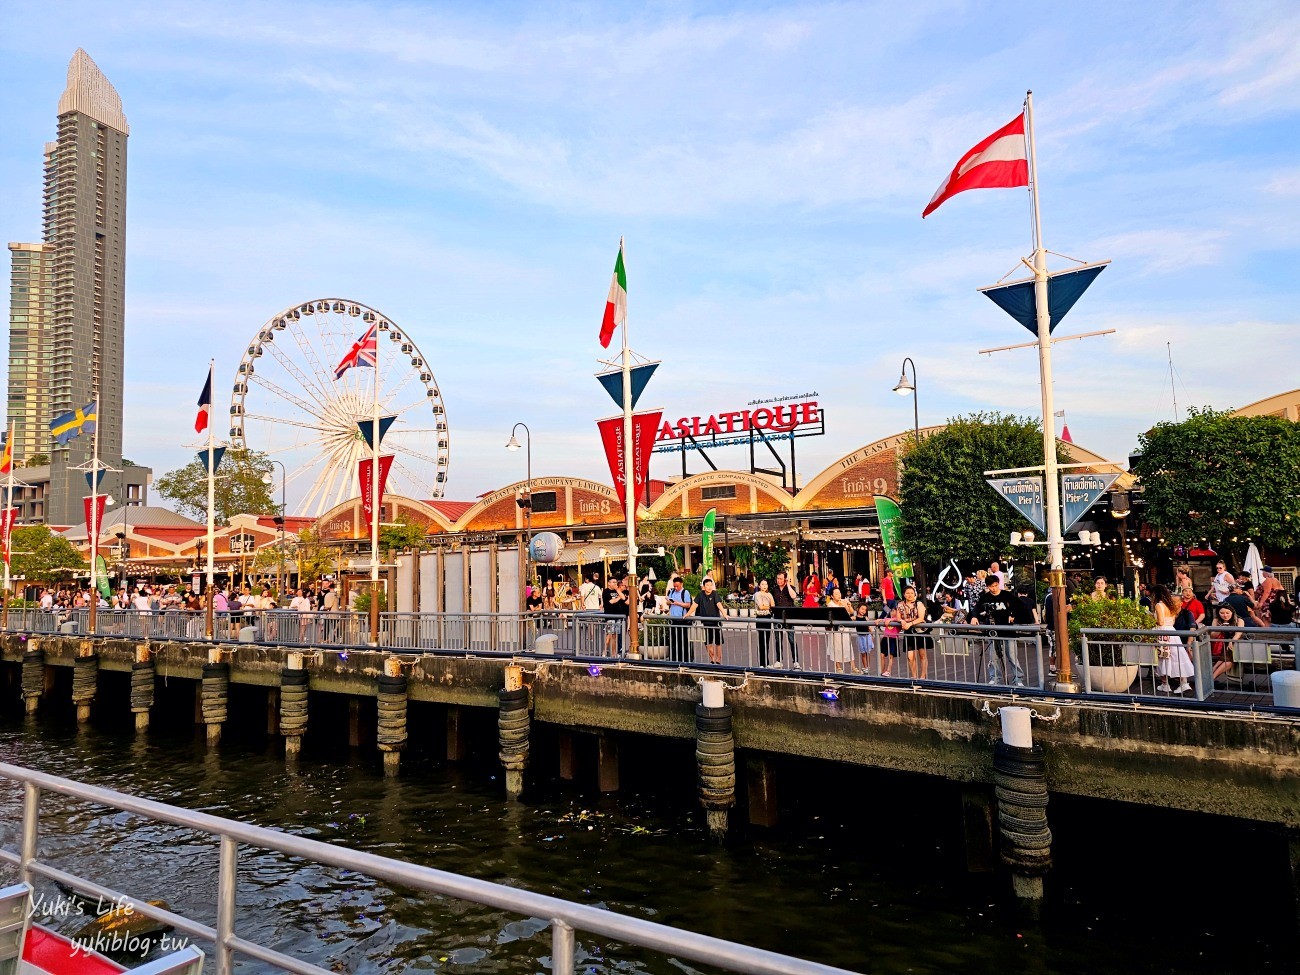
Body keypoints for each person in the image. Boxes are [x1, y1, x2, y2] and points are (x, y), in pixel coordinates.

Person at [970, 576, 1032, 687]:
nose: (993, 589)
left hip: (1008, 630)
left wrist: (1013, 616)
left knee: (1012, 656)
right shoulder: (985, 597)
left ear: (998, 584)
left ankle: (1018, 679)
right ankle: (995, 678)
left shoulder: (1007, 595)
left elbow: (1021, 606)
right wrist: (974, 617)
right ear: (988, 587)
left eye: (995, 586)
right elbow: (976, 608)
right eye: (991, 587)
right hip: (993, 631)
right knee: (993, 657)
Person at [1152, 584, 1194, 694]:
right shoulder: (1170, 605)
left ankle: (1165, 684)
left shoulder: (1159, 605)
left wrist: (1152, 619)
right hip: (1172, 632)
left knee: (1163, 656)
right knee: (1177, 657)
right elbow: (1173, 621)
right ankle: (1183, 683)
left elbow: (1160, 622)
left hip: (1162, 632)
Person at [895, 585, 929, 680]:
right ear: (904, 594)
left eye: (911, 593)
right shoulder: (900, 604)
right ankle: (914, 676)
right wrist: (901, 621)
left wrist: (910, 623)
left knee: (922, 654)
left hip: (920, 630)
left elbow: (921, 618)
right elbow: (898, 617)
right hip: (908, 631)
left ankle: (922, 676)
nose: (909, 595)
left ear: (915, 594)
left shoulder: (919, 604)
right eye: (907, 593)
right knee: (910, 656)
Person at [771, 571, 800, 669]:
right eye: (777, 578)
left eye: (781, 579)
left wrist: (787, 584)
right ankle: (779, 660)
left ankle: (796, 661)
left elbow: (794, 596)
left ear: (785, 579)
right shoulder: (774, 589)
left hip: (789, 617)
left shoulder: (791, 588)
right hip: (777, 617)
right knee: (778, 640)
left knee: (792, 640)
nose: (778, 581)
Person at [694, 577, 726, 664]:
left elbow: (719, 604)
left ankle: (718, 659)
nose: (709, 587)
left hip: (716, 621)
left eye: (711, 585)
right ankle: (712, 658)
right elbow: (694, 605)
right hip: (706, 622)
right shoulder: (700, 594)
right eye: (707, 585)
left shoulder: (715, 593)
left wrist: (724, 614)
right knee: (708, 641)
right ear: (703, 586)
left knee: (718, 641)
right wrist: (688, 614)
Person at [1208, 604, 1243, 682]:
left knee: (1230, 653)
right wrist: (1220, 629)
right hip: (1220, 645)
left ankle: (1212, 675)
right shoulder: (1216, 620)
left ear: (1232, 612)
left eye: (1227, 613)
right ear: (1218, 613)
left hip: (1235, 643)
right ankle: (1212, 676)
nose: (1225, 615)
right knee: (1228, 657)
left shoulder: (1239, 620)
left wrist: (1231, 641)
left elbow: (1238, 633)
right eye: (1222, 613)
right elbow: (1213, 636)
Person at [826, 586, 854, 673]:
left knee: (848, 646)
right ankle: (838, 666)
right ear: (832, 596)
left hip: (845, 628)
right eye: (836, 594)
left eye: (839, 593)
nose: (839, 595)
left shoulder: (843, 602)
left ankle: (853, 667)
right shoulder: (830, 605)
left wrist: (848, 605)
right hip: (836, 629)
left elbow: (851, 613)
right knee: (836, 647)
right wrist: (844, 606)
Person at [666, 576, 693, 662]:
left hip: (682, 619)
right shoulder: (672, 591)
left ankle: (684, 659)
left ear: (681, 584)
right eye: (674, 586)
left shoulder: (685, 592)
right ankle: (674, 658)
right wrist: (669, 601)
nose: (676, 588)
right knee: (673, 640)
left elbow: (688, 604)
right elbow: (668, 602)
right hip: (673, 619)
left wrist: (677, 603)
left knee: (682, 640)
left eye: (677, 586)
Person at [602, 575, 628, 656]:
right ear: (609, 583)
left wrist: (617, 590)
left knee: (615, 636)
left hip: (618, 616)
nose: (614, 584)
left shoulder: (617, 591)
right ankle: (604, 651)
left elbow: (624, 598)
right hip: (610, 615)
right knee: (609, 635)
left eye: (615, 582)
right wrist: (618, 598)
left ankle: (614, 653)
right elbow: (611, 602)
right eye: (613, 582)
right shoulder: (606, 591)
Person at [752, 578, 775, 667]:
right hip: (760, 617)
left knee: (767, 641)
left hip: (768, 617)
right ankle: (762, 663)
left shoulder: (769, 594)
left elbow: (773, 605)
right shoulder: (757, 594)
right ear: (759, 586)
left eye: (766, 584)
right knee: (762, 641)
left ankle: (767, 662)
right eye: (762, 584)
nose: (764, 586)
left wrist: (768, 605)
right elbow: (761, 606)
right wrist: (768, 606)